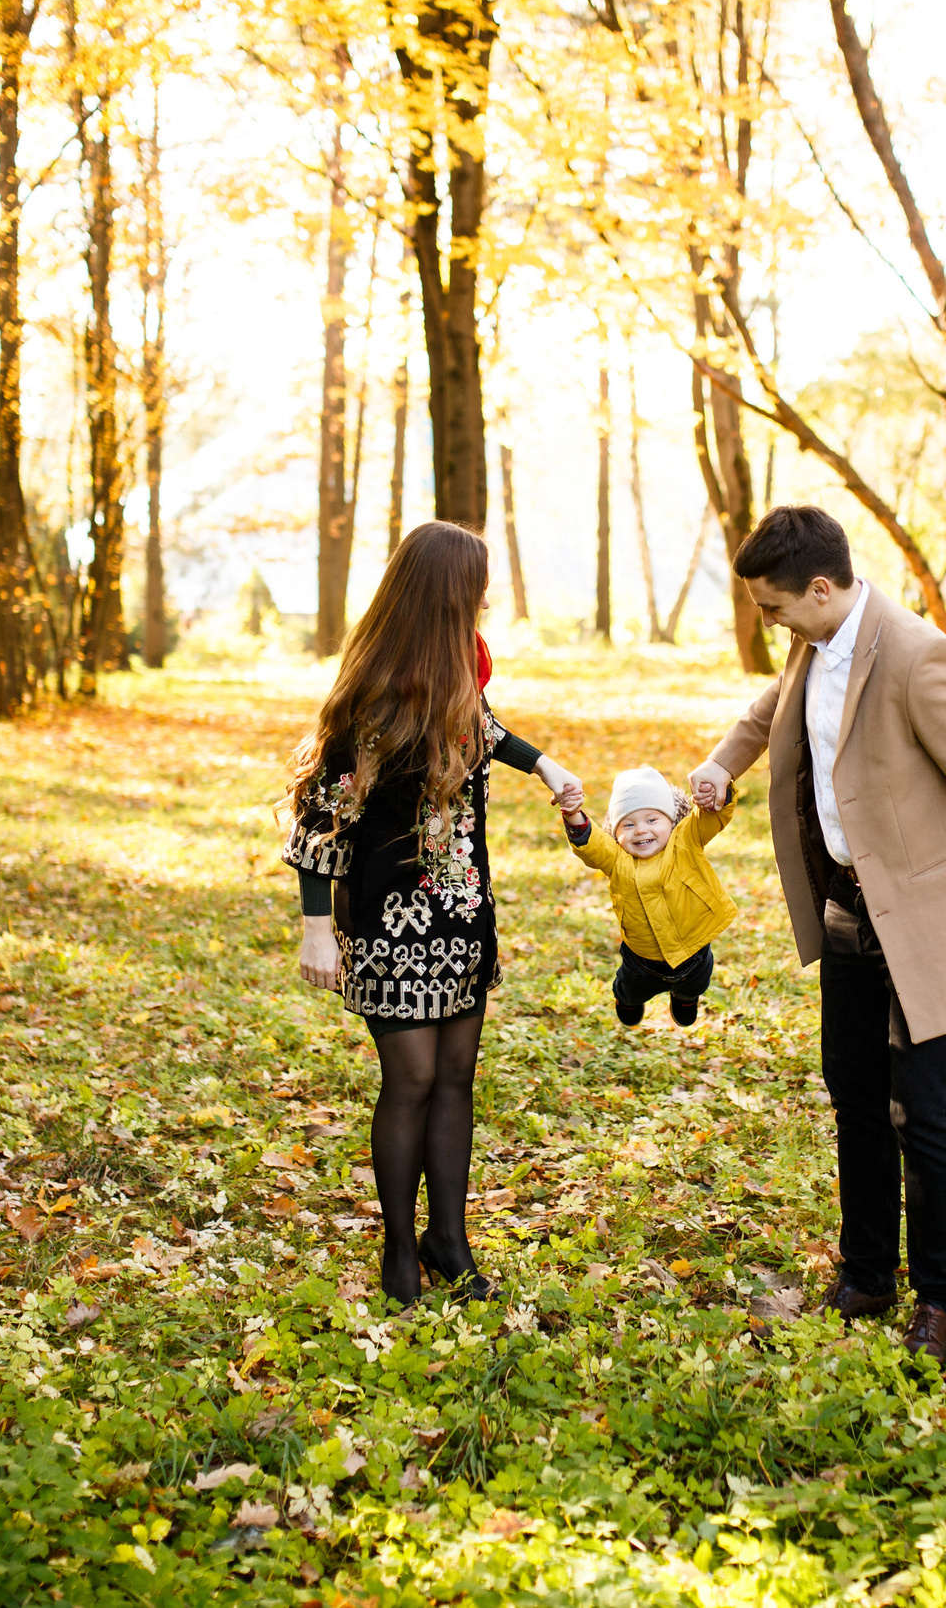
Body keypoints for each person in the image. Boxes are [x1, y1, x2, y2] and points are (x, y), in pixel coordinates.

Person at [689, 505, 946, 1368]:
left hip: (927, 925)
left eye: (774, 607)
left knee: (922, 1113)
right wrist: (720, 763)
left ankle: (938, 1300)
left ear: (821, 588)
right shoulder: (812, 642)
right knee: (855, 1097)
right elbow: (767, 712)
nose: (769, 622)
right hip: (846, 911)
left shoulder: (920, 657)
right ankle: (866, 1275)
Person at [283, 521, 584, 1308]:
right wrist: (317, 927)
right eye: (476, 586)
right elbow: (321, 817)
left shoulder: (460, 668)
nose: (485, 598)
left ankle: (447, 1238)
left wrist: (546, 766)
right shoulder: (375, 696)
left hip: (462, 909)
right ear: (446, 593)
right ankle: (397, 1244)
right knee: (411, 1077)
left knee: (455, 1076)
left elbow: (483, 728)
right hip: (389, 919)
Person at [560, 765, 736, 1028]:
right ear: (615, 833)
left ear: (671, 821)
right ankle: (627, 1001)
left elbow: (712, 817)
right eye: (628, 824)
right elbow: (590, 844)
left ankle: (685, 999)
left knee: (695, 984)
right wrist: (573, 814)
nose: (641, 830)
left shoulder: (686, 839)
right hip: (642, 959)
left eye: (652, 820)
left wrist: (717, 793)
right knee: (631, 989)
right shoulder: (615, 858)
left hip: (694, 950)